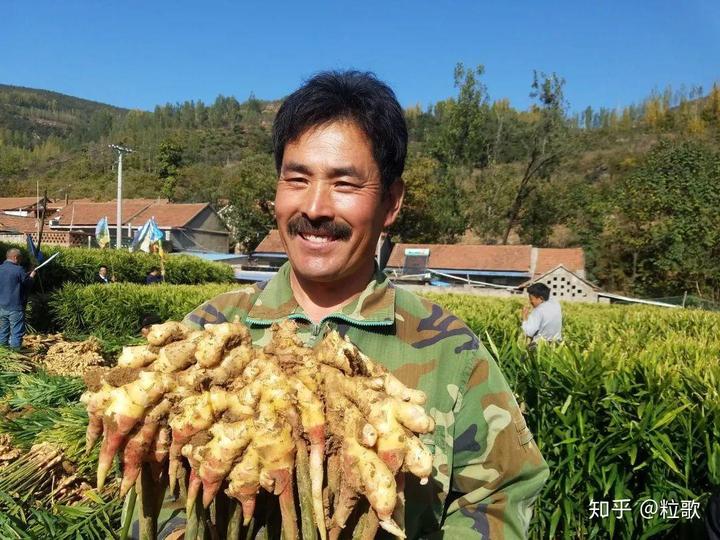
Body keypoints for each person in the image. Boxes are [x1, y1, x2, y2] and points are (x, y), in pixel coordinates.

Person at [144, 71, 548, 539]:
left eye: (344, 184)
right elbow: (153, 489)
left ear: (391, 202)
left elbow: (500, 497)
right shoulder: (207, 331)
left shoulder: (451, 354)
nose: (315, 207)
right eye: (297, 178)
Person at [0, 248, 36, 349]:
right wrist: (32, 276)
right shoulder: (19, 269)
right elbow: (27, 284)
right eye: (20, 258)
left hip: (2, 306)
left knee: (3, 331)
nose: (20, 261)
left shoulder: (0, 268)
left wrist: (25, 275)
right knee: (16, 333)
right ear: (15, 257)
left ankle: (3, 353)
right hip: (15, 307)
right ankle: (15, 355)